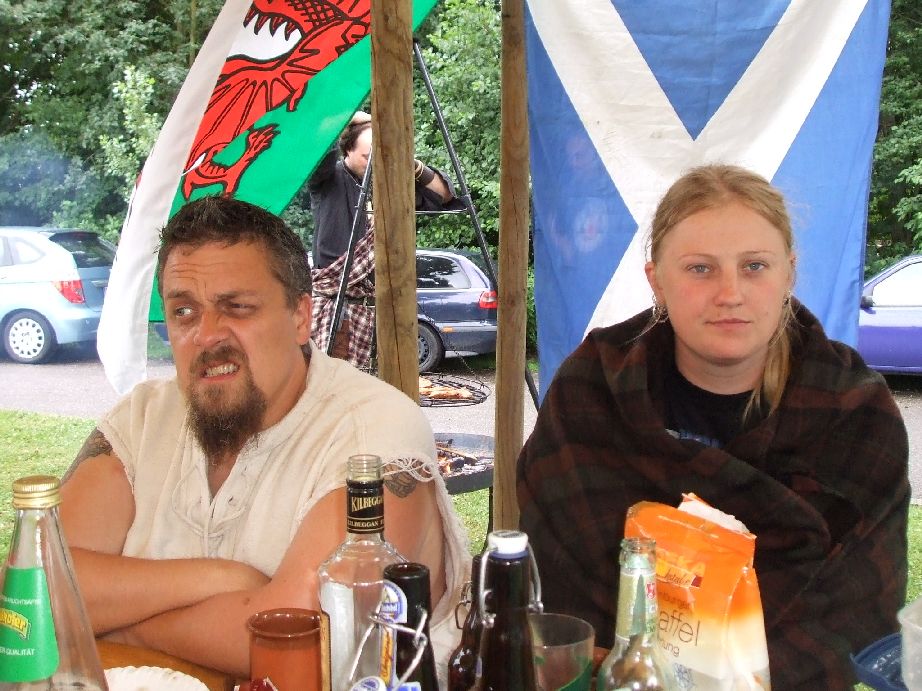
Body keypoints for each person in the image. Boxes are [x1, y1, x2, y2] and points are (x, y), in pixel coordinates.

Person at [517, 164, 909, 689]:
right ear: (657, 281)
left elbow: (854, 609)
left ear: (789, 274)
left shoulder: (854, 410)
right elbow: (558, 585)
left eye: (754, 266)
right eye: (700, 269)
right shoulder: (591, 389)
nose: (730, 293)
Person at [58, 196, 470, 677]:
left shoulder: (373, 429)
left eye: (236, 307)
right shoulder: (142, 418)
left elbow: (307, 637)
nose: (207, 335)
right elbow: (36, 586)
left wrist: (120, 627)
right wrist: (219, 579)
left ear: (300, 317)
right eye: (184, 311)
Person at [308, 111, 462, 367]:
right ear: (347, 151)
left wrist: (408, 162)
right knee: (339, 384)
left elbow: (443, 195)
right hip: (341, 308)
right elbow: (319, 147)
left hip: (386, 308)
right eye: (367, 157)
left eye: (379, 157)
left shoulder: (392, 186)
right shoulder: (328, 180)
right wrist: (348, 117)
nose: (374, 164)